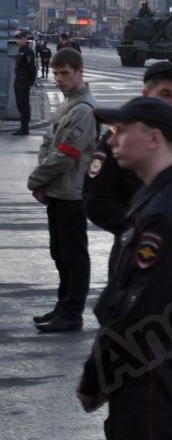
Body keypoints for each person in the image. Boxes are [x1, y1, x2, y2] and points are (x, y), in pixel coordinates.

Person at [76, 97, 172, 440]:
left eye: (120, 131)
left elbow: (138, 307)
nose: (112, 140)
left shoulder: (167, 208)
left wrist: (96, 376)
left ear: (153, 138)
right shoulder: (157, 195)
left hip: (149, 364)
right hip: (144, 362)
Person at [84, 61, 172, 254]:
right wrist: (138, 228)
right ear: (146, 95)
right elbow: (96, 199)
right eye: (165, 95)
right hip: (136, 247)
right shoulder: (122, 140)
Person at [27, 48, 97, 332]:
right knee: (60, 253)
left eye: (65, 73)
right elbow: (48, 142)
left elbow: (66, 154)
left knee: (73, 255)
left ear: (80, 72)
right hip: (59, 190)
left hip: (72, 193)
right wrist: (44, 179)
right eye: (56, 73)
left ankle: (72, 313)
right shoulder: (69, 103)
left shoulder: (83, 110)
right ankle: (63, 305)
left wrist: (36, 180)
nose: (58, 79)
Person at [13, 30, 36, 135]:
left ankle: (24, 128)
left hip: (24, 80)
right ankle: (22, 127)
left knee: (23, 104)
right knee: (19, 103)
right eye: (17, 38)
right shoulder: (20, 50)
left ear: (25, 39)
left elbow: (31, 67)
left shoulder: (28, 51)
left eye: (20, 38)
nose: (18, 40)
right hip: (18, 79)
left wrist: (31, 80)